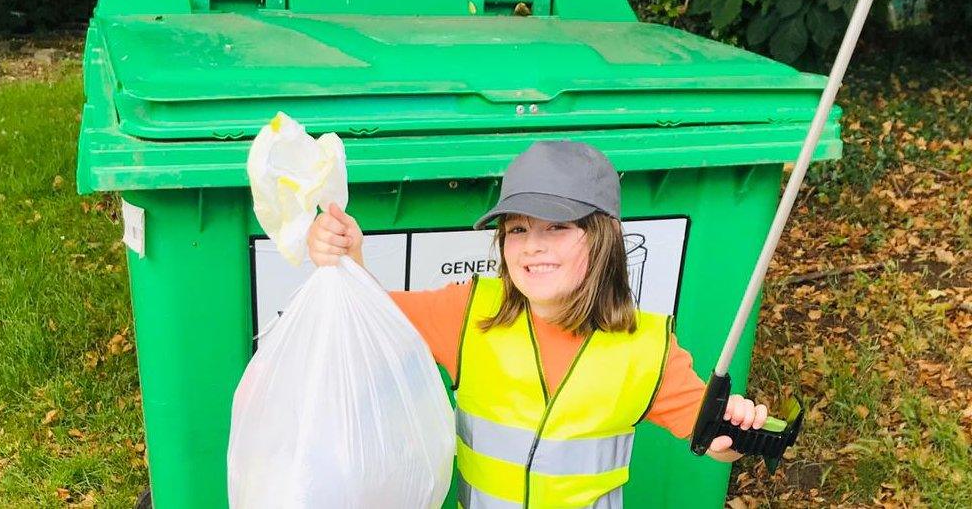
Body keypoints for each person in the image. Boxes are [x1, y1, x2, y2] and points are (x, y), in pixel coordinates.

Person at [307, 140, 768, 507]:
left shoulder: (646, 348)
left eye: (557, 227)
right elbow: (368, 323)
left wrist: (738, 431)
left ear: (603, 238)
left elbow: (715, 441)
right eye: (518, 230)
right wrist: (349, 259)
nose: (532, 247)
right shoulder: (469, 315)